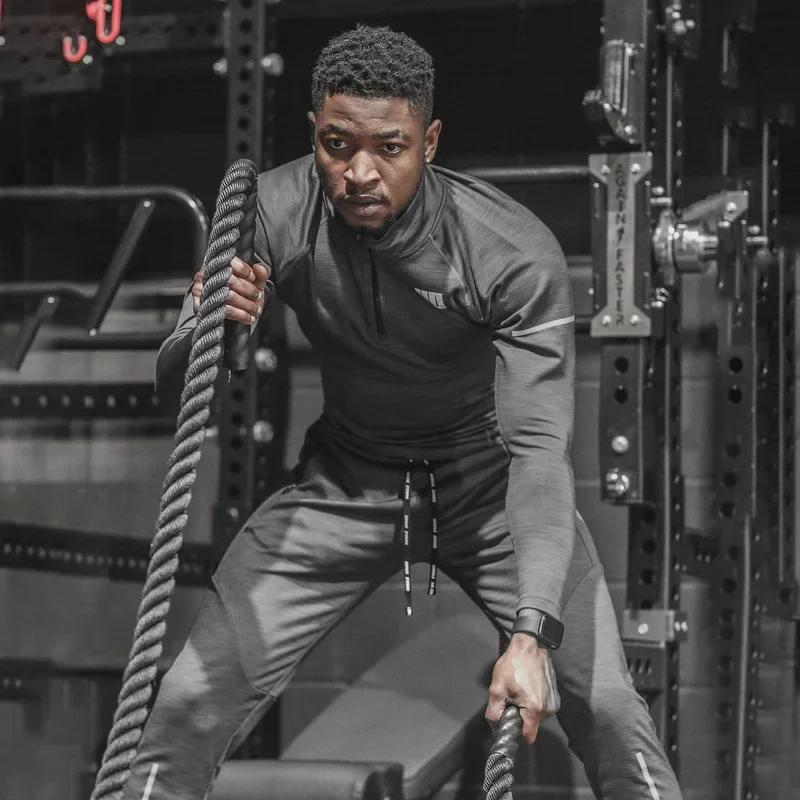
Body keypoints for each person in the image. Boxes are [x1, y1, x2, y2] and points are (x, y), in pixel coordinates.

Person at [122, 25, 683, 800]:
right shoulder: (272, 209)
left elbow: (538, 455)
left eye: (389, 147)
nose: (359, 172)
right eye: (336, 145)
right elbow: (173, 390)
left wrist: (530, 635)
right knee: (187, 700)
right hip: (343, 487)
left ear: (430, 141)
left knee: (612, 710)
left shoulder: (508, 250)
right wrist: (211, 325)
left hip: (488, 491)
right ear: (314, 134)